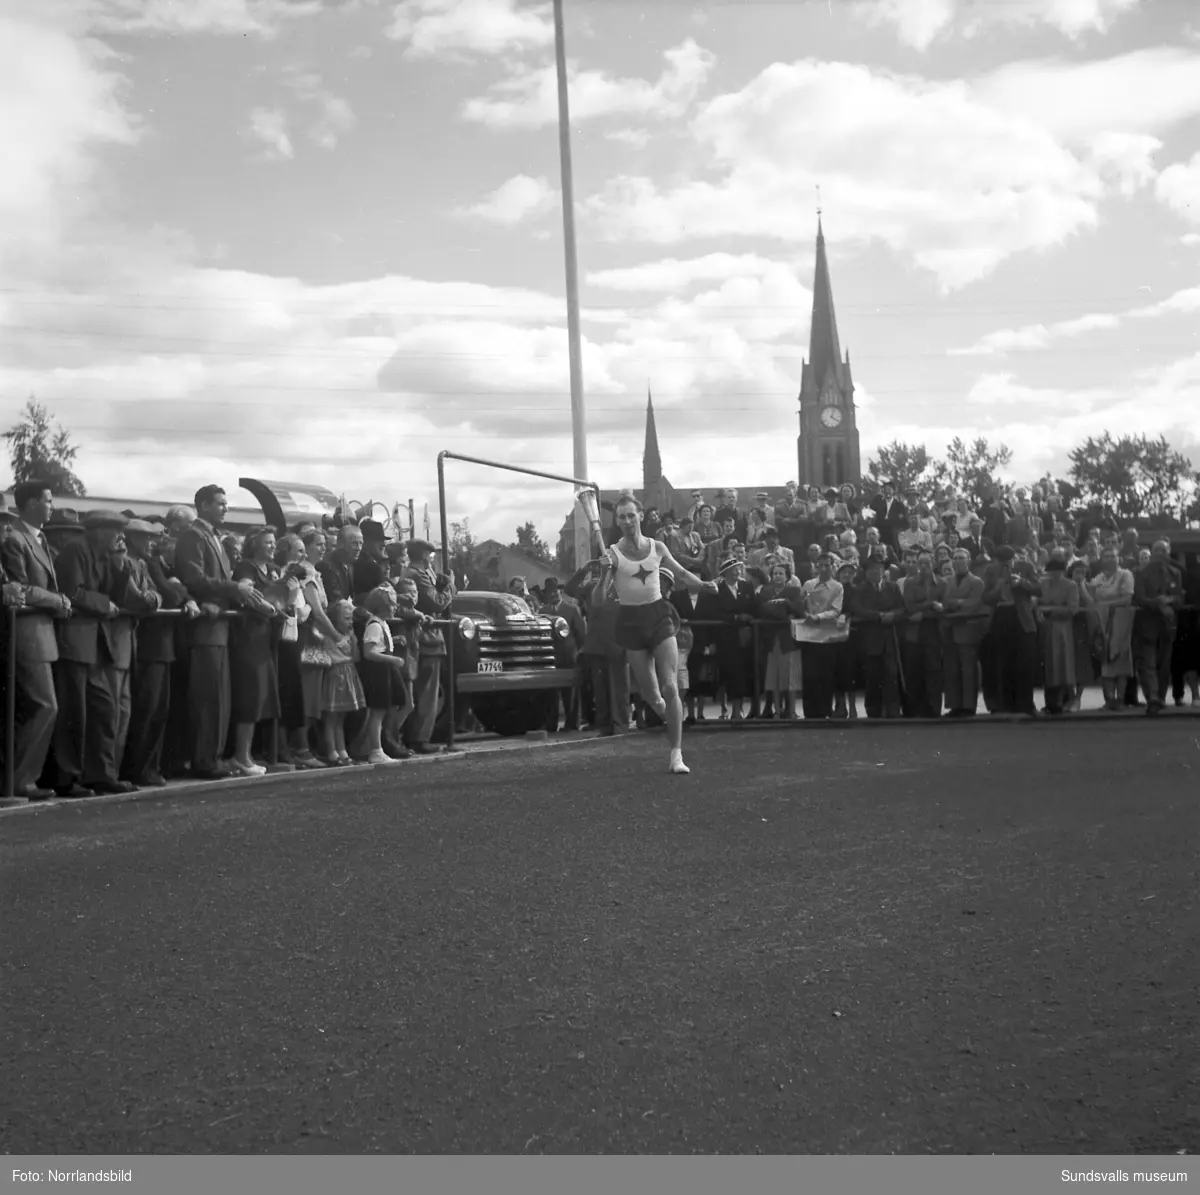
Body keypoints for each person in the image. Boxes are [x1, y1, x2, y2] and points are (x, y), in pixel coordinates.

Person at [597, 493, 718, 774]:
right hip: (630, 622)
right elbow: (600, 599)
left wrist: (705, 585)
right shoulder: (612, 554)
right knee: (652, 696)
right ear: (617, 521)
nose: (627, 520)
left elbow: (683, 575)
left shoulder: (658, 546)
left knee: (670, 686)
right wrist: (604, 573)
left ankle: (676, 754)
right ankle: (672, 720)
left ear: (640, 515)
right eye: (622, 516)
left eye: (631, 515)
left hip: (659, 616)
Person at [52, 513, 159, 796]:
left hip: (97, 645)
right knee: (74, 713)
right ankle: (68, 778)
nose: (120, 537)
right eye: (116, 532)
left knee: (105, 710)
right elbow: (72, 591)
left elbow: (120, 595)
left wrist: (122, 565)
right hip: (75, 643)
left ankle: (102, 774)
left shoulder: (105, 554)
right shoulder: (77, 549)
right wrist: (103, 604)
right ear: (98, 531)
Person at [174, 485, 261, 780]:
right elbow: (194, 577)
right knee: (208, 698)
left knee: (220, 698)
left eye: (225, 503)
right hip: (205, 630)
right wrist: (234, 589)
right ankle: (204, 760)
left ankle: (213, 757)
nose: (225, 508)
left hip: (220, 627)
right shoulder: (193, 535)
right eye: (220, 504)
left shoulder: (214, 537)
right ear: (202, 505)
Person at [1, 481, 71, 800]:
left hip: (41, 632)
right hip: (28, 632)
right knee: (45, 706)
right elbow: (20, 587)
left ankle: (25, 777)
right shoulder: (15, 538)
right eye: (46, 500)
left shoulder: (37, 538)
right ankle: (21, 779)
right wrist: (57, 599)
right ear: (29, 504)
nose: (51, 505)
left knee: (43, 707)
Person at [120, 519, 198, 788]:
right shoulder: (136, 563)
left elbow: (164, 594)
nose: (151, 543)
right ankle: (139, 767)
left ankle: (149, 766)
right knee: (147, 710)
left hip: (160, 645)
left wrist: (168, 592)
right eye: (146, 538)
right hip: (149, 645)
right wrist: (169, 592)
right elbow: (166, 595)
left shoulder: (144, 563)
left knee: (158, 710)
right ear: (132, 538)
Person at [228, 527, 286, 777]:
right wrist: (272, 610)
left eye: (273, 542)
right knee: (249, 697)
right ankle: (241, 755)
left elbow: (280, 598)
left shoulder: (271, 570)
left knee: (262, 697)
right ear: (254, 544)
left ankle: (249, 754)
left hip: (265, 638)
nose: (272, 546)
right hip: (249, 637)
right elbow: (250, 596)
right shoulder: (246, 568)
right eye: (267, 542)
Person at [564, 558, 631, 736]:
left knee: (619, 690)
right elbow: (569, 589)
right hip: (595, 645)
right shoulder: (592, 586)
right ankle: (604, 725)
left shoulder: (625, 587)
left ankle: (620, 725)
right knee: (600, 691)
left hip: (618, 645)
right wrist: (584, 569)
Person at [404, 539, 455, 754]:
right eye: (429, 554)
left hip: (423, 638)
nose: (431, 558)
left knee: (422, 690)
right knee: (427, 692)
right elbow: (437, 602)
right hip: (427, 638)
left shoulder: (416, 573)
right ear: (423, 555)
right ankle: (420, 737)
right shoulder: (418, 574)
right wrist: (451, 585)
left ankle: (416, 735)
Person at [1132, 540, 1183, 716]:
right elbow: (1138, 598)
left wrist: (1169, 601)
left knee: (1164, 665)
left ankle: (1160, 697)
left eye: (1163, 549)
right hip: (1147, 624)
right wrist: (1157, 603)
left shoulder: (1175, 572)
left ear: (1169, 552)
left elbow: (1179, 597)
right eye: (1157, 549)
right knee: (1148, 664)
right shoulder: (1141, 573)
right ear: (1152, 552)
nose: (1160, 552)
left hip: (1167, 626)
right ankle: (1152, 698)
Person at [850, 557, 904, 718]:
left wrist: (892, 615)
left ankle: (893, 709)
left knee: (891, 675)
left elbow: (902, 608)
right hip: (869, 639)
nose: (876, 571)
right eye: (872, 569)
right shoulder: (859, 590)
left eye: (879, 568)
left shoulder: (892, 587)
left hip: (889, 639)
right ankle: (874, 711)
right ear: (866, 572)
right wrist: (879, 616)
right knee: (872, 677)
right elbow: (858, 609)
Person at [319, 599, 367, 766]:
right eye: (346, 618)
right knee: (331, 718)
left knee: (341, 718)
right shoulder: (328, 636)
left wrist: (354, 641)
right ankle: (332, 752)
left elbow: (356, 657)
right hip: (335, 674)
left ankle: (342, 751)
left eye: (351, 618)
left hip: (349, 672)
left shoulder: (349, 635)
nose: (350, 622)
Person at [940, 548, 987, 717]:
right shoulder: (946, 581)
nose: (958, 561)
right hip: (950, 630)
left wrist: (955, 604)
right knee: (951, 670)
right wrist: (958, 603)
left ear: (968, 561)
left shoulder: (977, 582)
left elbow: (973, 605)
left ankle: (968, 706)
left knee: (968, 670)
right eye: (956, 558)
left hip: (968, 630)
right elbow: (944, 602)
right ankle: (955, 705)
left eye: (962, 558)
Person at [797, 554, 844, 720]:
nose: (824, 568)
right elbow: (799, 603)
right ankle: (810, 711)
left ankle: (825, 710)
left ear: (833, 567)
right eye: (821, 565)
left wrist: (818, 617)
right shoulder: (809, 584)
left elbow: (836, 610)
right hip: (809, 634)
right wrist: (805, 613)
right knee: (810, 674)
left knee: (826, 673)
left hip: (827, 635)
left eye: (827, 565)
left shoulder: (837, 587)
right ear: (817, 567)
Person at [900, 553, 944, 717]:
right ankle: (914, 710)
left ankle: (933, 709)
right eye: (921, 563)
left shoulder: (941, 583)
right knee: (914, 670)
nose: (924, 566)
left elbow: (943, 608)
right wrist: (931, 604)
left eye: (927, 563)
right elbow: (909, 606)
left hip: (934, 630)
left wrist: (924, 612)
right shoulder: (910, 583)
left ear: (933, 563)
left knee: (934, 670)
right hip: (914, 632)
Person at [539, 577, 585, 732]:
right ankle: (550, 723)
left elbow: (581, 634)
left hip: (569, 657)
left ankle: (572, 724)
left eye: (556, 591)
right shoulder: (542, 612)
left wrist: (579, 654)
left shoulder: (572, 610)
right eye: (550, 592)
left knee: (570, 693)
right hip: (549, 658)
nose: (554, 594)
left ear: (560, 591)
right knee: (550, 693)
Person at [1038, 557, 1079, 716]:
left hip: (1062, 629)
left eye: (1057, 571)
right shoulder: (1043, 583)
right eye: (1051, 571)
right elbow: (1036, 602)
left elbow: (1072, 609)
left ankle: (1061, 700)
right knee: (1048, 665)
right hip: (1046, 628)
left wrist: (1048, 609)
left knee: (1061, 665)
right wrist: (1039, 611)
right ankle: (1050, 701)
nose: (1054, 574)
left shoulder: (1070, 586)